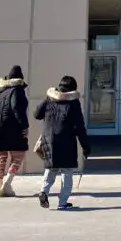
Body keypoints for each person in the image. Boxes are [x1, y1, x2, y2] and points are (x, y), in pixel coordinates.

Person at [34, 75, 91, 210]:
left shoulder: (50, 99)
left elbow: (37, 114)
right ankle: (62, 202)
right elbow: (79, 126)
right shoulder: (73, 102)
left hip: (48, 139)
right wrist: (85, 146)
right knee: (66, 172)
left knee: (51, 168)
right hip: (66, 142)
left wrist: (47, 97)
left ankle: (44, 191)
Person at [0, 65, 29, 198]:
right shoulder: (17, 89)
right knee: (18, 156)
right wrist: (24, 126)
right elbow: (17, 109)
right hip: (12, 129)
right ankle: (7, 184)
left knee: (0, 157)